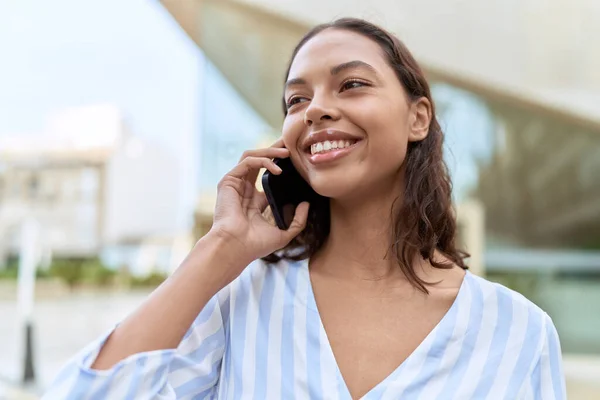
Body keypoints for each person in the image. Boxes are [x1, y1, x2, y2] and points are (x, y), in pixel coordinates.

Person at [43, 18, 566, 400]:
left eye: (352, 84)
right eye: (296, 100)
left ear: (418, 118)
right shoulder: (240, 303)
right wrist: (220, 250)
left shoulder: (518, 331)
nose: (314, 108)